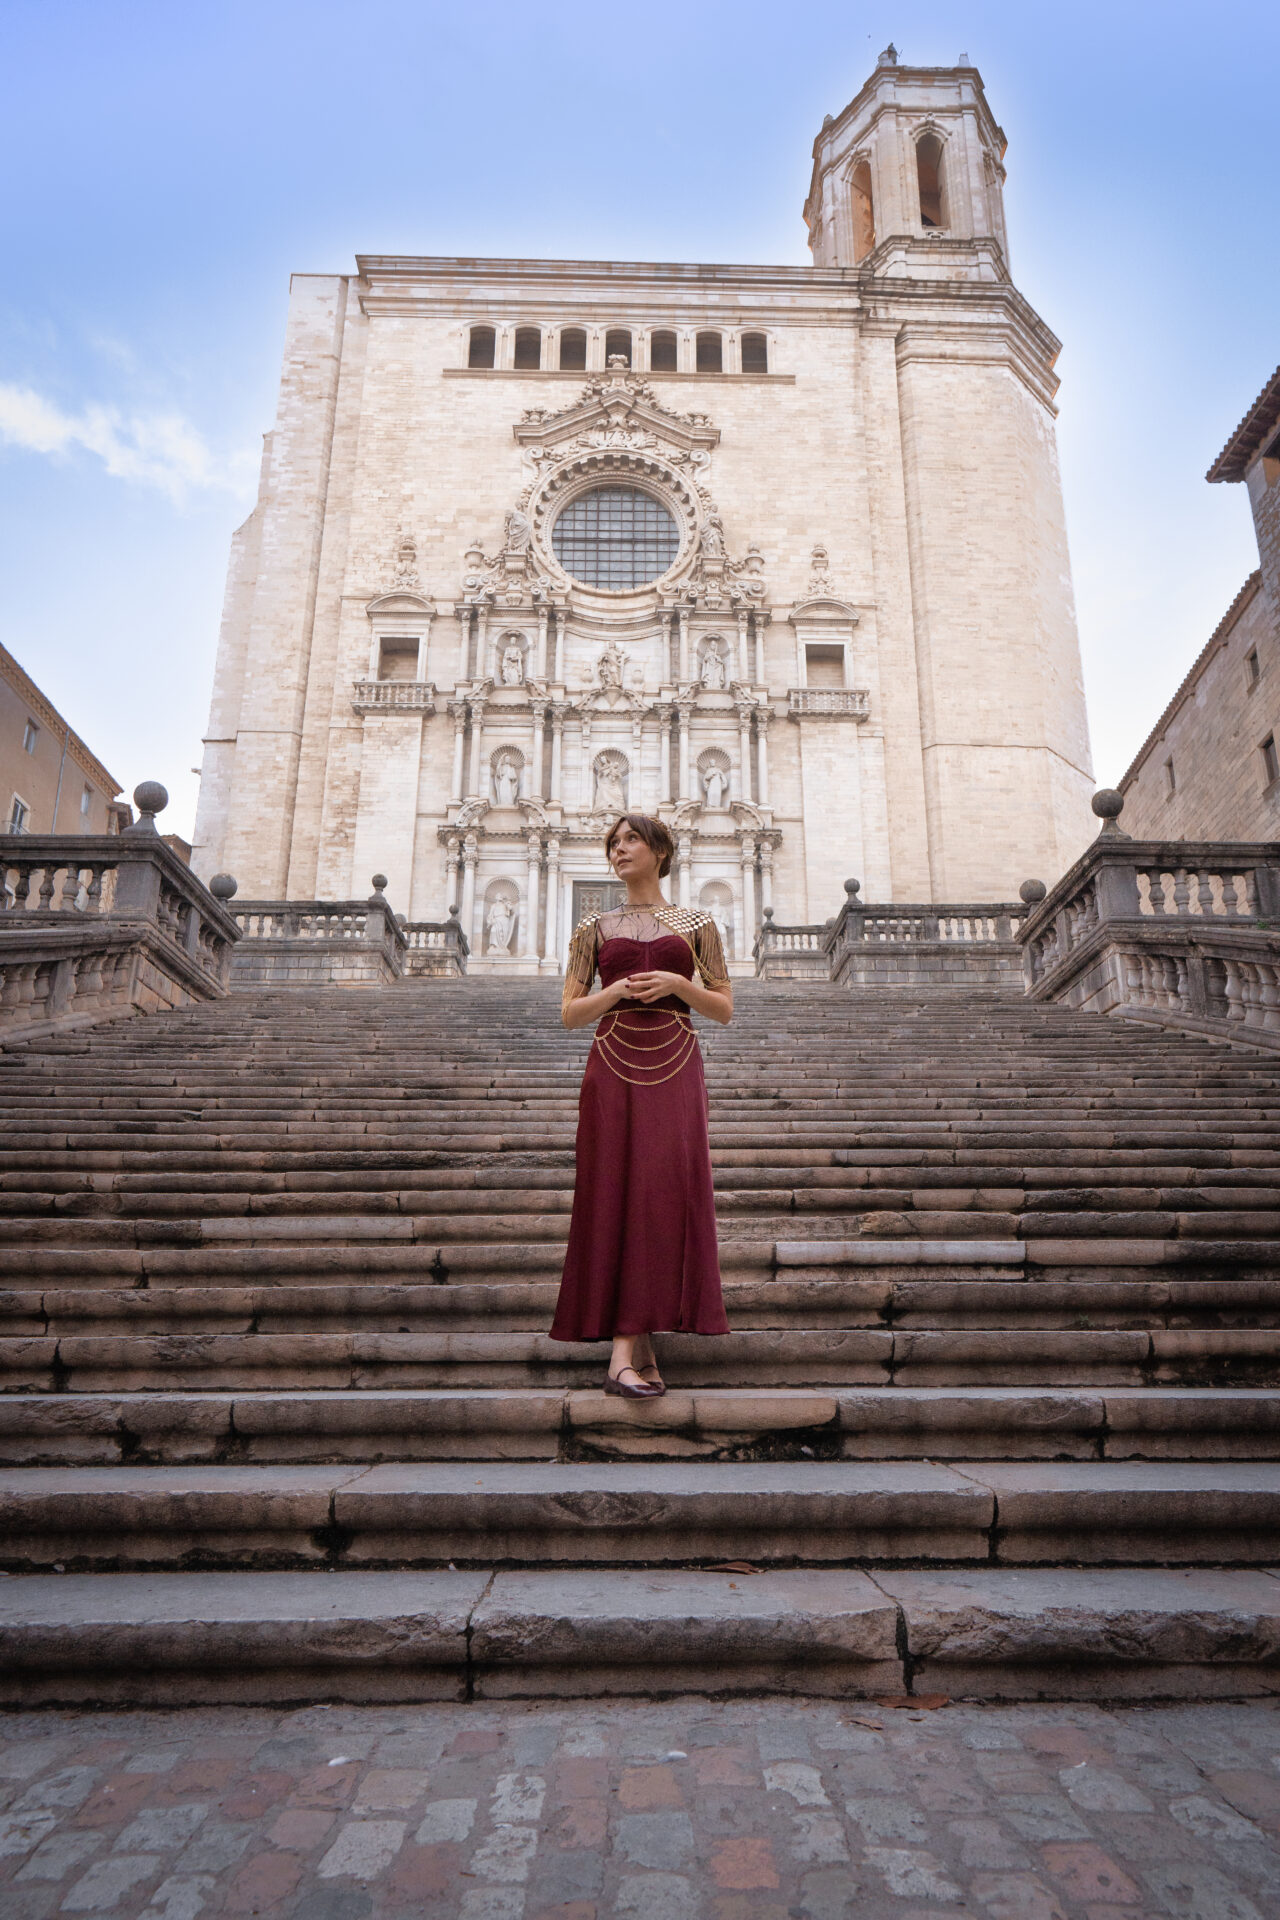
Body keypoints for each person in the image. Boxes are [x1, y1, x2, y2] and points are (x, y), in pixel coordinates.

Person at [551, 813, 733, 1395]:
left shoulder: (698, 922)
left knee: (662, 1191)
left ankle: (637, 1347)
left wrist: (679, 986)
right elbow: (569, 1014)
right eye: (613, 843)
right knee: (615, 1191)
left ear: (659, 850)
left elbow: (724, 1007)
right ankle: (627, 1353)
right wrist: (613, 992)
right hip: (613, 1065)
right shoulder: (593, 926)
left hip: (677, 1065)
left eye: (630, 839)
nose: (619, 849)